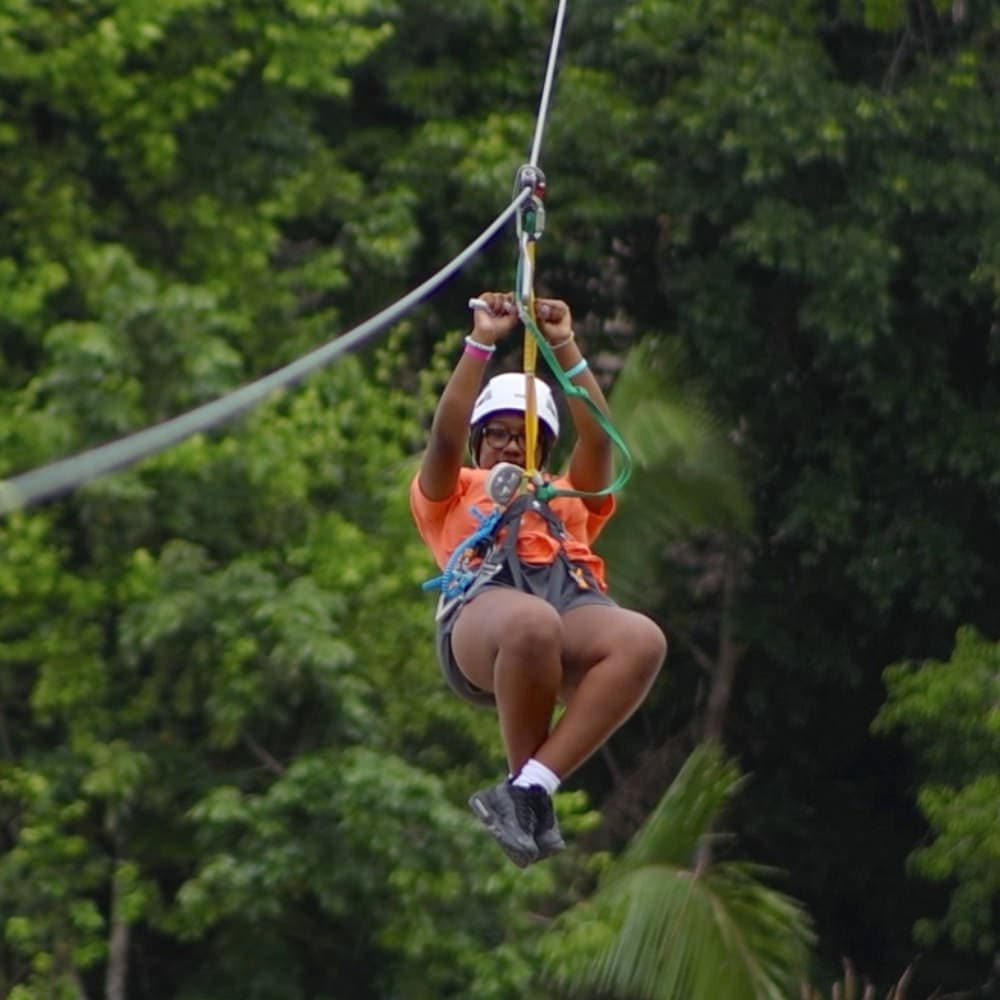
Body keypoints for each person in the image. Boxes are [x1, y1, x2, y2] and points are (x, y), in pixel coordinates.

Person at [410, 290, 667, 867]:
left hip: (567, 598)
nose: (507, 444)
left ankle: (529, 789)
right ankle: (520, 781)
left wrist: (564, 345)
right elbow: (445, 440)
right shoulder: (452, 493)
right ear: (480, 443)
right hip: (486, 614)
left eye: (522, 436)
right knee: (532, 622)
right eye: (496, 434)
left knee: (642, 639)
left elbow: (599, 441)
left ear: (544, 451)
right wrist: (480, 343)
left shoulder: (564, 497)